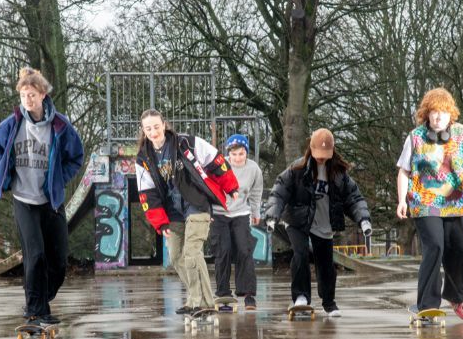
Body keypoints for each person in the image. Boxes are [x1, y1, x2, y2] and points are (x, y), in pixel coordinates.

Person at [396, 87, 463, 320]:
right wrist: (401, 200)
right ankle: (426, 305)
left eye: (443, 113)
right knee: (435, 246)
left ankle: (456, 297)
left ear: (450, 115)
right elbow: (404, 171)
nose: (438, 117)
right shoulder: (415, 137)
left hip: (455, 203)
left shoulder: (462, 134)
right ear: (427, 114)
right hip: (424, 202)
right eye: (434, 112)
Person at [0, 67, 84, 326]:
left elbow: (76, 156)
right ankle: (35, 310)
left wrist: (59, 179)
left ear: (43, 94)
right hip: (23, 199)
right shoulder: (11, 124)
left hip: (51, 200)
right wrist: (1, 173)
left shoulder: (60, 126)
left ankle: (41, 300)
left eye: (31, 95)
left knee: (59, 259)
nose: (27, 100)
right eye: (23, 95)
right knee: (35, 255)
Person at [135, 109, 239, 314]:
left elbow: (215, 159)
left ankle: (204, 303)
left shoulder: (186, 143)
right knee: (176, 256)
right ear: (144, 131)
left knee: (192, 253)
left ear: (164, 125)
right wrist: (160, 221)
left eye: (156, 126)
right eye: (148, 129)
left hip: (196, 203)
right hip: (172, 210)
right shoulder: (143, 158)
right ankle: (194, 299)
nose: (153, 132)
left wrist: (231, 186)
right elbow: (147, 192)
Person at [265, 128, 372, 317]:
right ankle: (301, 297)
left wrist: (363, 220)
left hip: (324, 223)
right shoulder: (296, 169)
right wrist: (272, 216)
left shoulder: (339, 174)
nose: (321, 158)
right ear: (310, 150)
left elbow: (354, 199)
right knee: (300, 254)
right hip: (297, 220)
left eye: (325, 155)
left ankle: (329, 303)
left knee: (326, 264)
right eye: (318, 155)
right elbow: (279, 192)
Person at [209, 134, 263, 310]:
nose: (238, 158)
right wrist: (207, 211)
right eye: (234, 155)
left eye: (241, 154)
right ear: (228, 154)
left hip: (240, 213)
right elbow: (207, 188)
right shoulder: (218, 166)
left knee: (244, 249)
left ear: (246, 153)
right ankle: (223, 293)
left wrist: (255, 212)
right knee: (222, 251)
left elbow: (256, 192)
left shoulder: (254, 169)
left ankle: (248, 295)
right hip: (218, 213)